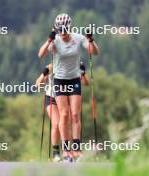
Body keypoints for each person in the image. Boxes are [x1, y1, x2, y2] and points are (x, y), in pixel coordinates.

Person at [38, 13, 99, 162]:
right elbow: (41, 54)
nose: (63, 35)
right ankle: (66, 150)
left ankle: (77, 149)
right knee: (64, 115)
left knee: (75, 115)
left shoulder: (78, 38)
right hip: (59, 81)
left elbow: (95, 52)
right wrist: (49, 40)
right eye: (60, 32)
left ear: (70, 28)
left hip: (74, 80)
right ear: (58, 30)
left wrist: (91, 40)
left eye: (65, 32)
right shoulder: (56, 40)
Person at [36, 62, 90, 162]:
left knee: (66, 124)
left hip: (66, 98)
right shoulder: (52, 66)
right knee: (56, 124)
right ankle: (56, 152)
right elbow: (38, 84)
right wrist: (45, 73)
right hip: (52, 98)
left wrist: (82, 73)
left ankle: (70, 151)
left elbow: (86, 83)